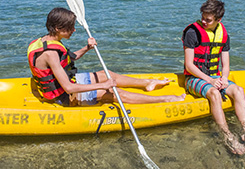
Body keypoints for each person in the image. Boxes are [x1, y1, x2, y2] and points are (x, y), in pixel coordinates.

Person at [28, 7, 185, 106]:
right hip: (63, 96)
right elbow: (69, 88)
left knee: (106, 74)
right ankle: (166, 99)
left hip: (67, 83)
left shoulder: (45, 40)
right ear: (57, 28)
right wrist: (102, 86)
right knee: (115, 93)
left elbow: (70, 58)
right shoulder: (50, 54)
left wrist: (87, 48)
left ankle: (147, 83)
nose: (74, 30)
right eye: (70, 28)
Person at [182, 0, 245, 155]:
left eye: (208, 20)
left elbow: (225, 65)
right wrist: (211, 81)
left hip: (215, 76)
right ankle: (228, 136)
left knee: (238, 91)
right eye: (203, 17)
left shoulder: (224, 34)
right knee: (214, 94)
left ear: (218, 20)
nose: (204, 22)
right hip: (193, 78)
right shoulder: (192, 32)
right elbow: (189, 66)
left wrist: (224, 79)